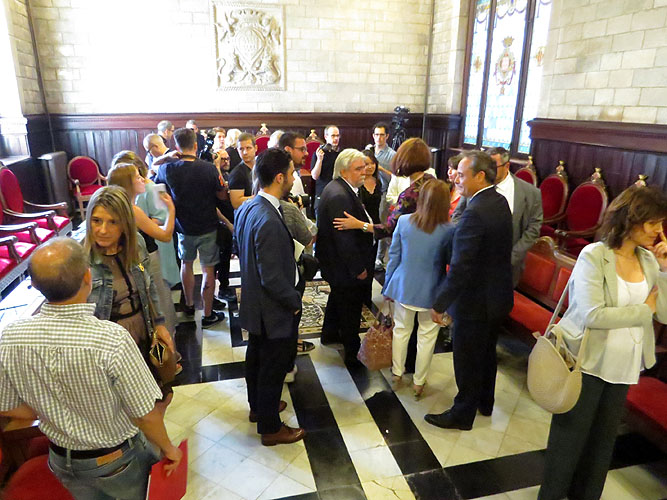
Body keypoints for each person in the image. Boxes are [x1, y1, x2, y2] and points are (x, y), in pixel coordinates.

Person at [0, 237, 182, 500]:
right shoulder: (111, 339)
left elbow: (7, 406)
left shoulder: (11, 336)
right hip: (116, 461)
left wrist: (51, 407)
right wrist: (169, 447)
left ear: (35, 285)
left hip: (62, 460)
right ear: (88, 277)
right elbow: (144, 414)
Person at [538, 185, 667, 500]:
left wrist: (665, 270)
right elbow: (593, 315)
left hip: (624, 366)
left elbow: (663, 313)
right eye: (653, 223)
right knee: (568, 442)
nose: (659, 230)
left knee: (601, 446)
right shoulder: (594, 256)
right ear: (631, 219)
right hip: (587, 363)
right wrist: (643, 310)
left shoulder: (649, 261)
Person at [425, 150, 514, 431]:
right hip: (497, 296)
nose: (456, 179)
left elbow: (461, 266)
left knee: (466, 359)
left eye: (462, 175)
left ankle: (462, 414)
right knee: (486, 354)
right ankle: (484, 402)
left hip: (475, 302)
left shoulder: (474, 212)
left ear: (480, 176)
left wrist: (440, 303)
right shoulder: (498, 201)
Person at [84, 186, 178, 413]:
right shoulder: (82, 260)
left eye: (112, 222)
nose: (103, 230)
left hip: (144, 331)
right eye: (96, 221)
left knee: (160, 393)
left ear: (125, 223)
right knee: (126, 406)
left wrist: (160, 323)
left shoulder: (137, 243)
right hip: (110, 344)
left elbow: (149, 287)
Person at [235, 147, 306, 446]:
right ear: (279, 177)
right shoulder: (268, 219)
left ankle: (259, 408)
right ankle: (271, 428)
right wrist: (294, 302)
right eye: (291, 173)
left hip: (254, 302)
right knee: (272, 368)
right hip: (272, 309)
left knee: (256, 358)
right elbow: (273, 278)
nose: (293, 177)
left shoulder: (249, 207)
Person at [383, 179, 455, 398]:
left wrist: (387, 285)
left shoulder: (404, 222)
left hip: (403, 285)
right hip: (433, 290)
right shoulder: (450, 229)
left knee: (401, 331)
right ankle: (419, 382)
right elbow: (451, 263)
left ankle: (397, 373)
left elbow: (394, 256)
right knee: (427, 338)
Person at [154, 127, 227, 327]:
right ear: (195, 145)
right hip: (207, 225)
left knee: (186, 264)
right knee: (208, 269)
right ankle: (208, 314)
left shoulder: (167, 169)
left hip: (183, 226)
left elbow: (158, 189)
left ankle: (188, 305)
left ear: (177, 147)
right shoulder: (208, 168)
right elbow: (222, 195)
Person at [108, 153, 179, 339]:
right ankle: (168, 344)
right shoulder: (132, 210)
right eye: (137, 177)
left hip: (130, 263)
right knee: (159, 300)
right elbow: (165, 235)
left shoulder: (118, 206)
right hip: (144, 258)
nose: (143, 179)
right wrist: (171, 209)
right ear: (128, 184)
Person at [316, 149, 375, 363]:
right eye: (358, 168)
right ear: (343, 171)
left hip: (336, 263)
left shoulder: (339, 187)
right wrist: (358, 269)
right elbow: (345, 240)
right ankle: (352, 353)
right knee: (350, 308)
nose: (364, 171)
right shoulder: (340, 195)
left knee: (338, 298)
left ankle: (329, 334)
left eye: (364, 167)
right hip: (343, 266)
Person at [487, 146, 543, 286]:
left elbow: (533, 229)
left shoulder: (530, 193)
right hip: (473, 261)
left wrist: (512, 257)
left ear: (507, 166)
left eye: (493, 167)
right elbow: (458, 214)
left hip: (507, 266)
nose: (488, 171)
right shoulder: (476, 183)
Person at [371, 122, 397, 271]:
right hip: (369, 190)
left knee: (381, 223)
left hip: (383, 192)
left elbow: (396, 177)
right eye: (376, 134)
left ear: (387, 136)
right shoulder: (369, 150)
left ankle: (379, 258)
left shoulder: (392, 155)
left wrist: (380, 169)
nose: (379, 138)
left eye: (382, 135)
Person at [311, 125, 340, 210]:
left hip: (337, 192)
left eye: (337, 136)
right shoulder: (319, 153)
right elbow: (315, 176)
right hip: (323, 193)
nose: (336, 138)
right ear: (326, 137)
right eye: (333, 136)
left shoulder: (341, 154)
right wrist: (320, 160)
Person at [228, 132, 257, 210]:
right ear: (237, 150)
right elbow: (236, 203)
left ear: (255, 148)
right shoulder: (237, 174)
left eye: (248, 148)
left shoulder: (260, 168)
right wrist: (260, 197)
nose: (245, 152)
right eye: (241, 149)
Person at [446, 153, 463, 218]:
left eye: (453, 169)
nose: (449, 172)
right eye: (449, 168)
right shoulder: (446, 188)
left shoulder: (466, 194)